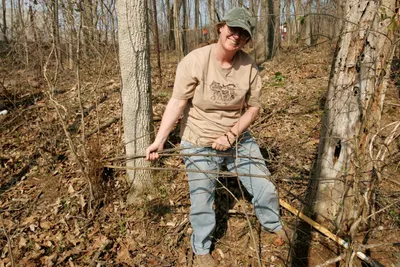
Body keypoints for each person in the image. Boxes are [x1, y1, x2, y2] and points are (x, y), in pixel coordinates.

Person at [146, 7, 290, 267]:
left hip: (236, 138)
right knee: (202, 198)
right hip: (199, 139)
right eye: (232, 29)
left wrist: (232, 134)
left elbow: (254, 108)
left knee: (265, 187)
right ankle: (201, 249)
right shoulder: (195, 60)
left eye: (243, 33)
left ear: (246, 39)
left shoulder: (248, 66)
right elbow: (177, 102)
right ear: (221, 27)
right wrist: (159, 140)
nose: (236, 36)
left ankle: (273, 225)